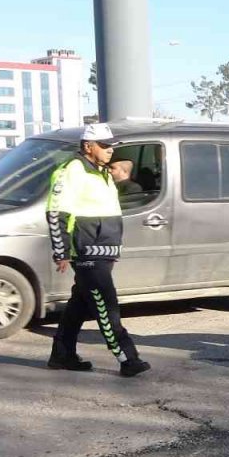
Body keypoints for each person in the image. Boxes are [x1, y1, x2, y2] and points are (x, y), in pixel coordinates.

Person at [46, 123, 150, 377]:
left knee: (79, 306)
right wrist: (61, 252)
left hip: (104, 251)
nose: (110, 150)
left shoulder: (101, 172)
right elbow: (55, 212)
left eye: (111, 145)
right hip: (88, 252)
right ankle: (128, 359)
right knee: (107, 306)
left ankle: (62, 355)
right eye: (104, 145)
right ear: (87, 146)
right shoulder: (72, 170)